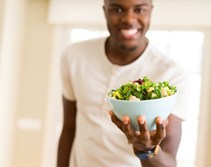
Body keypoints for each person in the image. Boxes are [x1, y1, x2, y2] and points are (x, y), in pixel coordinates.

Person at [57, 0, 189, 166]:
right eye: (117, 9)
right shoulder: (74, 56)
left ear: (150, 11)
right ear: (105, 11)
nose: (128, 18)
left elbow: (169, 163)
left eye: (139, 9)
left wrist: (146, 150)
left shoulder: (172, 75)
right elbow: (69, 129)